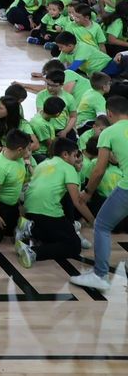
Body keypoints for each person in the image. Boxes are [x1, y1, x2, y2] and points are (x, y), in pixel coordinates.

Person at [69, 95, 127, 291]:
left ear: (109, 113)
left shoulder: (108, 132)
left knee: (102, 225)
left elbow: (99, 169)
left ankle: (100, 275)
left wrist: (87, 192)